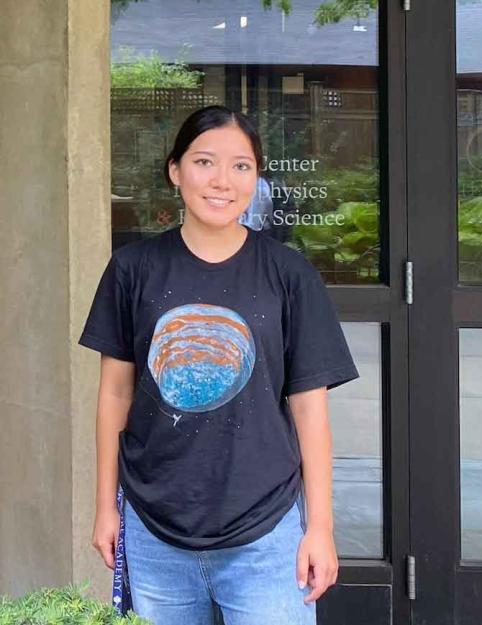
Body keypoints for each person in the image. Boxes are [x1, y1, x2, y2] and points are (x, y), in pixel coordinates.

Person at [79, 105, 360, 625]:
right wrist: (105, 507)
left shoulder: (289, 274)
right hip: (155, 527)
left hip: (266, 532)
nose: (222, 181)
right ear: (175, 171)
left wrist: (319, 526)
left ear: (256, 177)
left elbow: (310, 411)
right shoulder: (132, 270)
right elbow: (115, 395)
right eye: (205, 162)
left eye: (241, 166)